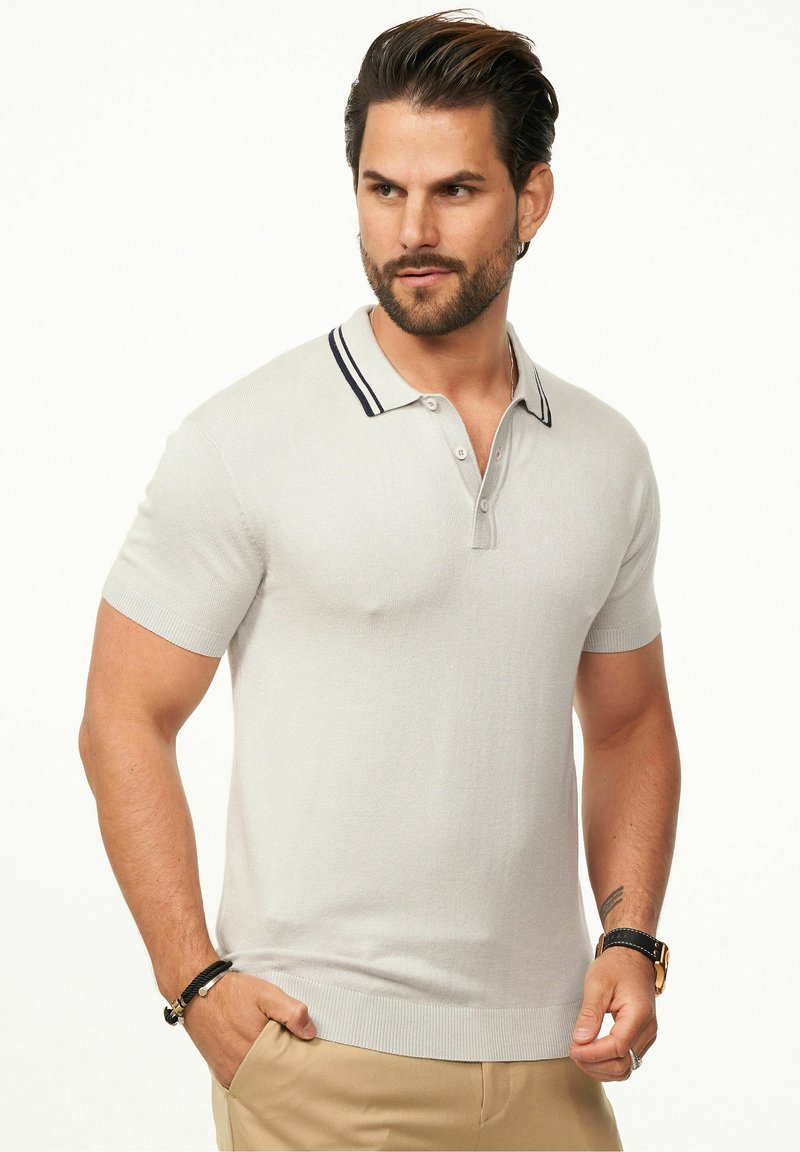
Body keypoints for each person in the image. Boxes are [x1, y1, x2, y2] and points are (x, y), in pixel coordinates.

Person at [79, 10, 681, 1152]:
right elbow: (124, 712)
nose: (411, 230)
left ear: (532, 201)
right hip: (321, 1055)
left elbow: (628, 722)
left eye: (455, 191)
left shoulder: (606, 458)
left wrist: (628, 938)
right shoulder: (245, 438)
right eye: (381, 189)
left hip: (550, 1057)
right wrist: (193, 980)